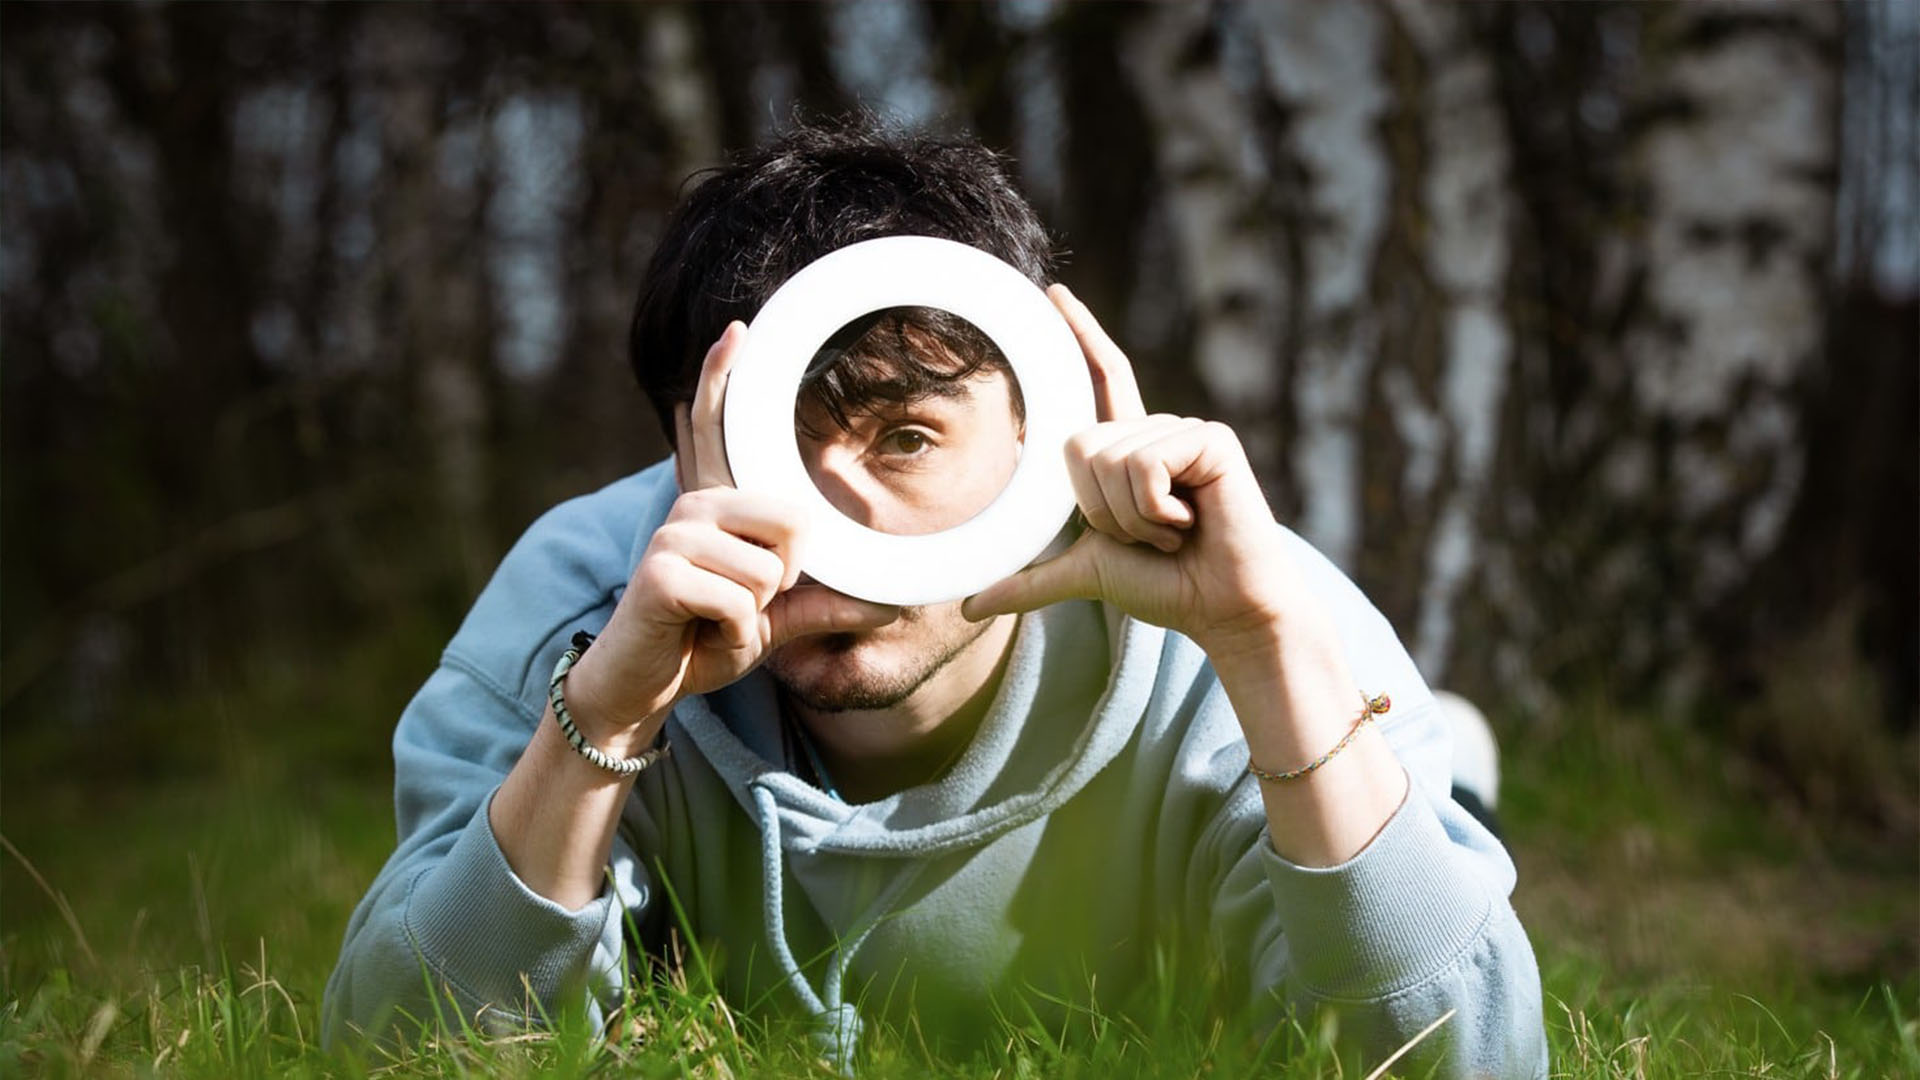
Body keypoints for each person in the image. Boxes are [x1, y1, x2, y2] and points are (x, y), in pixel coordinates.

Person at [323, 122, 1547, 1077]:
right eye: (772, 445)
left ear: (1042, 422)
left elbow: (1466, 1062)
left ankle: (1447, 772)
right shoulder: (580, 614)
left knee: (1387, 783)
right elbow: (395, 1054)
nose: (833, 529)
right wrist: (607, 722)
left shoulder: (1254, 618)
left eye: (906, 436)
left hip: (1297, 702)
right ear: (687, 445)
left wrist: (1268, 655)